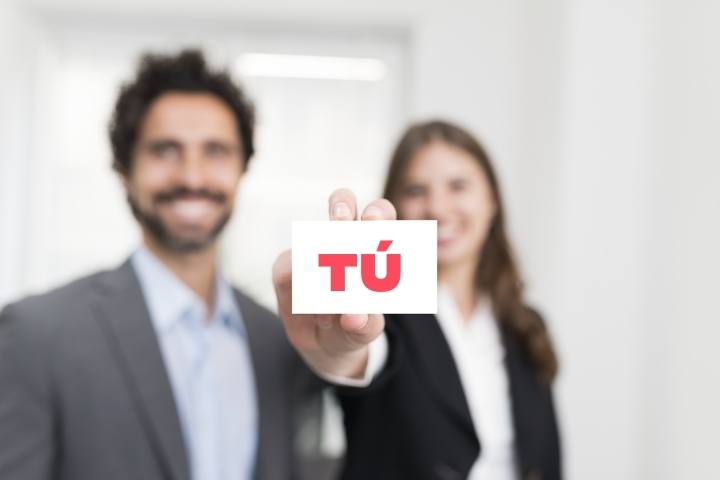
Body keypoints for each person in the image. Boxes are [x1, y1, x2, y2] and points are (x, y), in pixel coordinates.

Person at [0, 49, 390, 480]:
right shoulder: (37, 335)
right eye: (165, 150)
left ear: (242, 169)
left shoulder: (277, 338)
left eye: (216, 151)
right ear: (125, 170)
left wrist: (352, 349)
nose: (192, 176)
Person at [332, 120, 562, 479]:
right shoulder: (379, 314)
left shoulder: (524, 325)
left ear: (492, 201)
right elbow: (349, 355)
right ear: (394, 208)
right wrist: (338, 338)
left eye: (458, 186)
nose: (438, 208)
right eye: (416, 190)